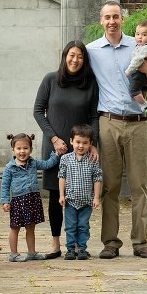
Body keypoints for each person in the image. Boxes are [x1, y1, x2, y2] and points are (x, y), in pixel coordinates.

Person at [87, 1, 147, 260]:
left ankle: (141, 243)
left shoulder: (138, 45)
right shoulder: (91, 51)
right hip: (108, 123)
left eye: (116, 16)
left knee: (140, 185)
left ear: (122, 19)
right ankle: (110, 242)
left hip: (138, 122)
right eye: (107, 17)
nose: (112, 21)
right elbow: (81, 82)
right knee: (110, 185)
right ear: (101, 21)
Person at [34, 40, 100, 259]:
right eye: (71, 55)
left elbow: (93, 117)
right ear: (64, 56)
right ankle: (55, 244)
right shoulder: (50, 79)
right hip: (56, 149)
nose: (75, 60)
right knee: (56, 195)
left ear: (84, 60)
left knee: (80, 196)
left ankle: (78, 245)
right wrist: (53, 139)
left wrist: (94, 144)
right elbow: (37, 111)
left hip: (80, 150)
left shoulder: (90, 83)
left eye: (80, 56)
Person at [0, 133, 60, 262]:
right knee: (15, 227)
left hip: (32, 199)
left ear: (31, 149)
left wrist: (55, 155)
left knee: (31, 227)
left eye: (25, 148)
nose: (22, 151)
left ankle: (31, 253)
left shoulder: (33, 163)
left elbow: (47, 164)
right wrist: (5, 201)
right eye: (19, 148)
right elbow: (4, 186)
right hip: (18, 201)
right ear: (13, 150)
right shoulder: (9, 168)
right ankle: (13, 254)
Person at [58, 124, 103, 261]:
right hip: (70, 200)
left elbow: (97, 178)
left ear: (90, 144)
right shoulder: (65, 159)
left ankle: (82, 248)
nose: (81, 146)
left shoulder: (92, 159)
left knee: (83, 226)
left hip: (86, 202)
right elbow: (62, 177)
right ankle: (71, 249)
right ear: (71, 141)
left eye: (85, 143)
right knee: (70, 226)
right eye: (78, 142)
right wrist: (61, 195)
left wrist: (96, 197)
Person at [125, 20, 147, 112]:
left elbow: (137, 60)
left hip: (140, 73)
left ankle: (144, 104)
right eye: (137, 34)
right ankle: (142, 105)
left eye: (144, 35)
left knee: (134, 91)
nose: (140, 37)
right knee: (143, 88)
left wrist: (128, 72)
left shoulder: (145, 48)